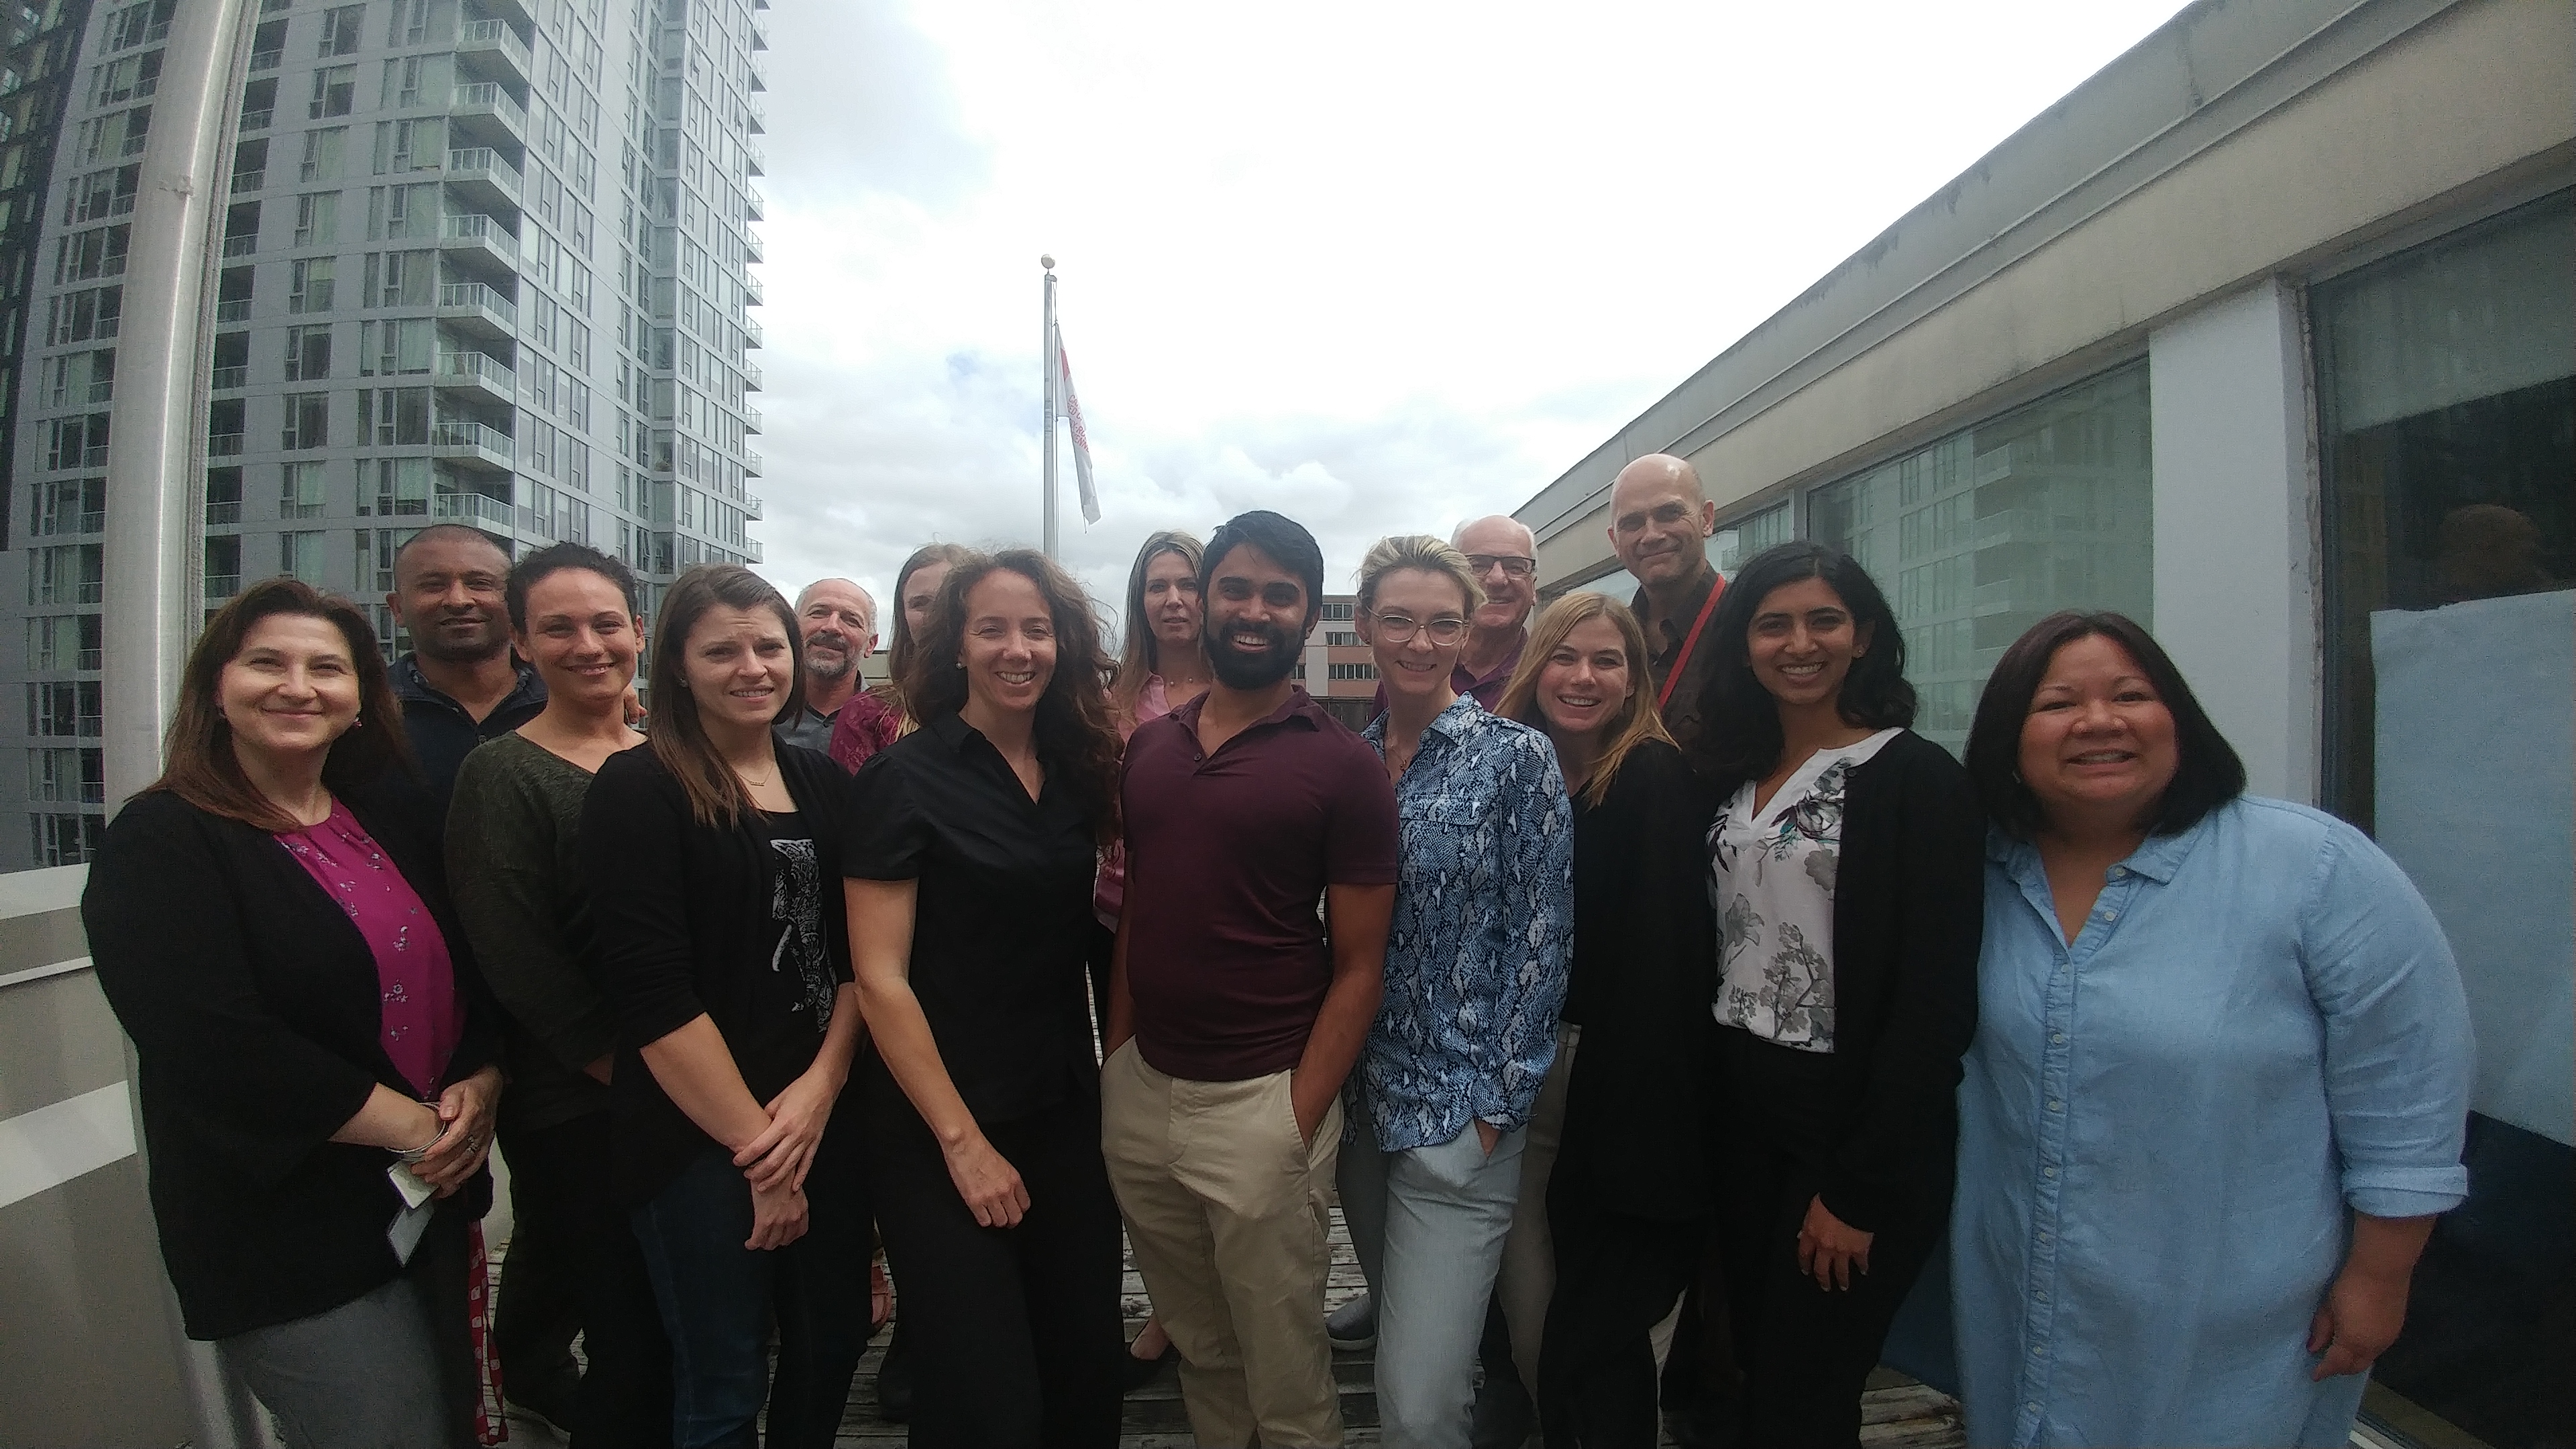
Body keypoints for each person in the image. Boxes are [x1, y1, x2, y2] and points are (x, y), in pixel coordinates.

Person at [1951, 611, 2474, 1449]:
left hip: (2238, 1319)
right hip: (2023, 1297)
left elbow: (2408, 1082)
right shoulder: (1974, 871)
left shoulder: (2311, 867)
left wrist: (2381, 1275)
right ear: (2009, 738)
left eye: (2131, 694)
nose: (2098, 722)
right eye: (2057, 705)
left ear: (2179, 720)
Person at [82, 578, 504, 1449]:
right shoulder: (162, 841)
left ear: (360, 700)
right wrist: (418, 1128)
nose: (298, 687)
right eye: (267, 664)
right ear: (216, 687)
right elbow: (217, 1048)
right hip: (285, 1224)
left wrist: (484, 1079)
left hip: (426, 1194)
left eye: (327, 668)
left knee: (452, 1425)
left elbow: (468, 966)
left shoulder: (382, 816)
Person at [1101, 509, 1401, 1448]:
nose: (1254, 609)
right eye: (1236, 587)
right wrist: (1118, 1065)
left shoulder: (1343, 768)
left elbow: (1361, 965)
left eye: (1281, 594)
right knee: (1202, 1342)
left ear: (1309, 616)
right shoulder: (1149, 750)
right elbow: (1138, 913)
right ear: (1201, 600)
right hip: (1147, 1096)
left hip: (1264, 1102)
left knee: (1283, 1363)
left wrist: (1296, 1117)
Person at [1693, 541, 1983, 1446]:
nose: (1799, 643)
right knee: (1756, 1361)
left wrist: (1859, 1189)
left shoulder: (1914, 779)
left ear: (1863, 638)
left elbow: (1934, 1002)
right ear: (1744, 645)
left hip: (1847, 1122)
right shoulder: (1735, 775)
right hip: (1742, 1111)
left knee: (1806, 1389)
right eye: (1773, 624)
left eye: (1825, 620)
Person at [844, 548, 1130, 1446]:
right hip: (939, 1119)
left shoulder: (1081, 773)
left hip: (1059, 1107)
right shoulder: (905, 777)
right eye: (994, 629)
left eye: (1037, 629)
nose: (1019, 649)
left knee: (1085, 1371)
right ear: (955, 647)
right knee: (986, 1400)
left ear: (1063, 644)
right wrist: (963, 1145)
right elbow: (879, 978)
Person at [581, 564, 870, 1449]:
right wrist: (764, 1158)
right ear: (675, 665)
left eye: (768, 646)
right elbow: (653, 998)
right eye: (722, 651)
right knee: (723, 1375)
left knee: (833, 1345)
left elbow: (860, 961)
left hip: (822, 1115)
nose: (753, 667)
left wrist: (820, 1091)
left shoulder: (823, 785)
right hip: (700, 1141)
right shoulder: (639, 791)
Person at [1336, 535, 1572, 1448]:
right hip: (1361, 1111)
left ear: (1469, 631)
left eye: (1443, 623)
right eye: (1398, 619)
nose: (1420, 641)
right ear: (1364, 626)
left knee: (1420, 1407)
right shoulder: (1346, 763)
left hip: (1459, 1115)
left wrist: (1497, 1106)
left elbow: (1542, 938)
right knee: (1413, 1361)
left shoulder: (1516, 759)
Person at [445, 543, 671, 1446]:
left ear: (640, 632)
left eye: (607, 623)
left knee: (674, 1320)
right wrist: (629, 1072)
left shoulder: (660, 754)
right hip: (580, 1102)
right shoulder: (503, 773)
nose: (589, 644)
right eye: (559, 628)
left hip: (676, 1093)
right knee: (629, 1334)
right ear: (522, 646)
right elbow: (517, 953)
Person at [1492, 592, 1717, 1448]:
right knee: (1532, 1302)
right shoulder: (1511, 767)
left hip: (1604, 1070)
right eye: (1566, 657)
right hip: (1509, 1065)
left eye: (1607, 661)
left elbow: (1666, 956)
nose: (1584, 677)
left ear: (1634, 681)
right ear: (1535, 664)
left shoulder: (1652, 779)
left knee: (1596, 1317)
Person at [1099, 528, 1213, 1386]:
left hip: (1210, 936)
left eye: (1188, 582)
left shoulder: (1249, 687)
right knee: (1129, 1128)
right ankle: (1170, 1304)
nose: (1173, 599)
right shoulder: (1109, 700)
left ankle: (1198, 1314)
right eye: (1157, 585)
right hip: (1108, 929)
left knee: (1203, 1135)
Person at [386, 524, 547, 804]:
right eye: (433, 585)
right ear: (397, 608)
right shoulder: (365, 714)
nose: (458, 600)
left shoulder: (567, 702)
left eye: (480, 583)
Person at [1605, 454, 1725, 755]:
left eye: (1670, 513)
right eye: (1632, 523)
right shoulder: (1612, 641)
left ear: (1706, 519)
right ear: (1615, 541)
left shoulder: (1749, 626)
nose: (1652, 535)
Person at [1364, 515, 1541, 717]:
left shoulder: (1550, 674)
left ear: (1533, 587)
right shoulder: (1411, 664)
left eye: (1515, 567)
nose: (1498, 579)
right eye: (1479, 565)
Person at [832, 541, 974, 773]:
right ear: (904, 617)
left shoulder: (1012, 704)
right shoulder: (868, 713)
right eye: (920, 604)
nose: (935, 616)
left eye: (947, 601)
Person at [780, 578, 888, 756]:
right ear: (792, 626)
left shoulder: (893, 724)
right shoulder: (759, 715)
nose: (832, 627)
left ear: (871, 644)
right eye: (818, 613)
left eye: (851, 620)